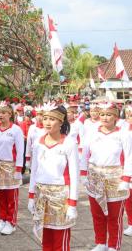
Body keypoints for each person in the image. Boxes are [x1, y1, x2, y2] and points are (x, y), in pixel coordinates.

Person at [80, 102, 132, 251]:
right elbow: (84, 154)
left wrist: (126, 179)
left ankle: (113, 245)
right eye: (102, 114)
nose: (105, 117)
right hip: (95, 176)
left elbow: (129, 157)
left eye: (109, 114)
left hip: (115, 177)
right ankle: (101, 242)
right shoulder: (91, 131)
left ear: (115, 117)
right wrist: (84, 173)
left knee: (114, 215)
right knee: (97, 213)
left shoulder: (123, 133)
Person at [28, 103, 79, 251]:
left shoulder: (69, 143)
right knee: (46, 236)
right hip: (41, 194)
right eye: (45, 118)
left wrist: (72, 204)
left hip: (60, 197)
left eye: (52, 119)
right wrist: (31, 196)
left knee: (60, 238)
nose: (47, 123)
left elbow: (74, 175)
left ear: (61, 121)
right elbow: (34, 171)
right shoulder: (38, 143)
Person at [0, 101, 24, 235]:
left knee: (10, 196)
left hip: (9, 166)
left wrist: (19, 169)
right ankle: (2, 219)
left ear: (10, 114)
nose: (0, 115)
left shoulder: (16, 130)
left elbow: (20, 150)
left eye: (4, 113)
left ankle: (11, 222)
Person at [25, 105, 46, 170]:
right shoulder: (32, 127)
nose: (39, 117)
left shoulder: (48, 128)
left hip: (45, 156)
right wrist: (27, 159)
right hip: (34, 155)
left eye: (41, 115)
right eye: (38, 115)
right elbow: (28, 143)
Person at [123, 105, 132, 236]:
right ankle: (131, 223)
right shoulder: (123, 130)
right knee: (128, 197)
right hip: (128, 168)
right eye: (128, 114)